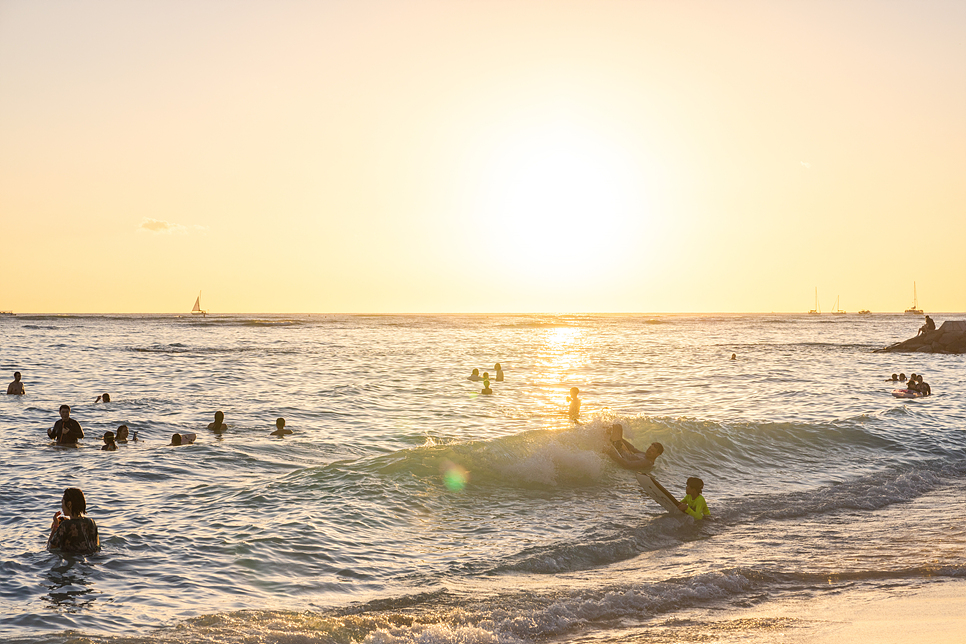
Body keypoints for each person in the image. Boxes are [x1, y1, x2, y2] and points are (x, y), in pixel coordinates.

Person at [47, 488, 100, 554]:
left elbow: (50, 548)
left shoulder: (65, 525)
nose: (61, 507)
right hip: (91, 558)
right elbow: (97, 546)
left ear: (69, 504)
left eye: (62, 503)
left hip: (74, 558)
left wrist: (55, 527)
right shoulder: (91, 522)